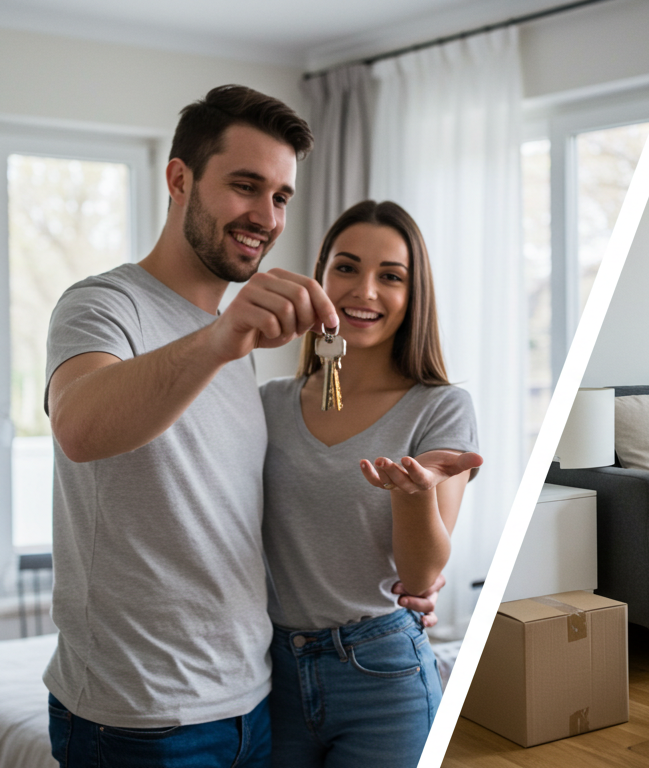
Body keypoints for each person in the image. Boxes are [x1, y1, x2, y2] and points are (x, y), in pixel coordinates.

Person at [42, 85, 324, 767]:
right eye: (246, 186)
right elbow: (79, 427)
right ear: (179, 180)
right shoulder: (103, 306)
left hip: (250, 703)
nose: (266, 217)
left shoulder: (232, 342)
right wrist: (223, 338)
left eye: (281, 197)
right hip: (138, 720)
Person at [261, 200, 480, 767]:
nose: (365, 291)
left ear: (414, 295)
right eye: (347, 268)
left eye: (391, 276)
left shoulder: (441, 408)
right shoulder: (266, 404)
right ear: (321, 276)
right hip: (268, 671)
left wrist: (414, 494)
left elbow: (420, 577)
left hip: (382, 674)